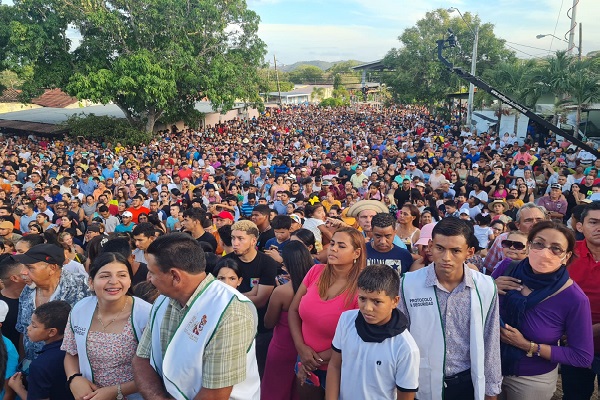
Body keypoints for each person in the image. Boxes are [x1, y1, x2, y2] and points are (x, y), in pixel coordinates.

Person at [132, 232, 260, 399]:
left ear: (175, 276)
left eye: (152, 272)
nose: (149, 279)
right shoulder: (163, 301)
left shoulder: (230, 311)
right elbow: (141, 359)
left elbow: (215, 394)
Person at [398, 217, 501, 400]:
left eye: (455, 251)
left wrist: (491, 390)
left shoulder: (485, 287)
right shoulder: (408, 284)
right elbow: (399, 339)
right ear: (430, 246)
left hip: (466, 382)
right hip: (419, 381)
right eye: (440, 248)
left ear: (469, 252)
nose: (446, 258)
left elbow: (490, 340)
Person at [493, 221, 593, 400]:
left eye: (556, 248)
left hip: (531, 381)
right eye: (539, 243)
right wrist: (489, 287)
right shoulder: (507, 268)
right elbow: (477, 307)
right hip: (489, 367)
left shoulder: (574, 298)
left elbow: (582, 356)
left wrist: (528, 346)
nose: (545, 252)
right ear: (529, 245)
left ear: (567, 255)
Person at [288, 227, 365, 400]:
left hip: (340, 369)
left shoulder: (362, 285)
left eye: (342, 246)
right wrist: (301, 349)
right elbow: (293, 310)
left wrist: (314, 362)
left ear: (356, 253)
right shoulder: (315, 272)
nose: (333, 248)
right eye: (332, 243)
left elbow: (356, 337)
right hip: (304, 363)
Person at [63, 252, 151, 400]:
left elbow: (158, 370)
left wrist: (116, 391)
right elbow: (71, 353)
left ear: (130, 280)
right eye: (104, 276)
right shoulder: (80, 309)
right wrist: (73, 378)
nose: (114, 281)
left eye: (122, 275)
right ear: (90, 282)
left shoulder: (146, 315)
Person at [326, 264, 420, 400]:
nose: (367, 308)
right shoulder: (346, 320)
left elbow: (405, 395)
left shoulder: (405, 348)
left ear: (394, 301)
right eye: (362, 299)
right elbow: (335, 365)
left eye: (377, 301)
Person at [13, 244, 91, 368]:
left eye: (30, 267)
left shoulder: (82, 287)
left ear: (52, 268)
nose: (23, 272)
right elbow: (23, 331)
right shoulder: (28, 290)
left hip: (65, 369)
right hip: (33, 367)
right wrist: (24, 363)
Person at [223, 220, 279, 378]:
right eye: (233, 238)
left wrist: (232, 296)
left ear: (253, 240)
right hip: (232, 326)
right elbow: (219, 297)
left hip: (260, 329)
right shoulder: (226, 262)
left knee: (259, 373)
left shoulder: (267, 263)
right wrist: (251, 294)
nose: (235, 243)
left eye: (240, 239)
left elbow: (261, 300)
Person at [262, 241, 313, 400]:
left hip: (282, 346)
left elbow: (268, 322)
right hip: (308, 348)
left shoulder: (282, 291)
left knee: (275, 390)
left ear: (286, 264)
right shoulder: (316, 288)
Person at [561, 201, 600, 399]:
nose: (599, 228)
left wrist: (588, 331)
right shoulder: (566, 254)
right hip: (573, 345)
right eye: (593, 222)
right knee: (575, 395)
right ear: (579, 226)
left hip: (579, 336)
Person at [8, 301, 74, 400]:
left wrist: (18, 388)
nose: (28, 328)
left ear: (52, 332)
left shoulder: (40, 365)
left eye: (34, 326)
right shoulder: (73, 349)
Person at [0, 257, 26, 349]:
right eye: (26, 269)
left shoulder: (34, 297)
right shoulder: (1, 304)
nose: (29, 272)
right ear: (15, 278)